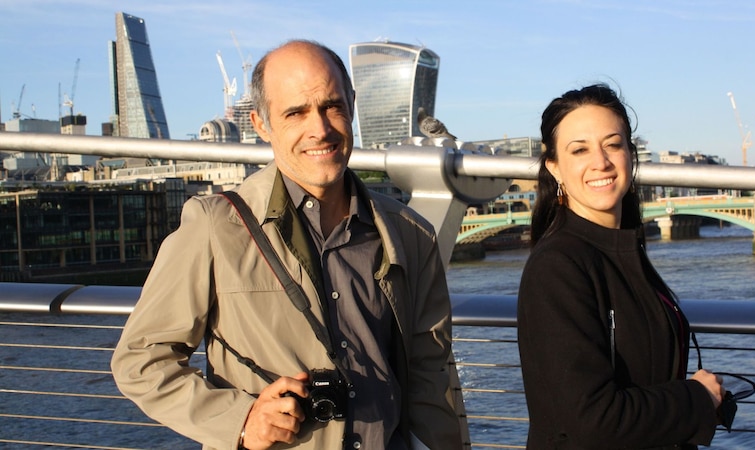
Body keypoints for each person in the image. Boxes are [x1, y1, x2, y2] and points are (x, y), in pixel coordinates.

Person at [111, 40, 466, 450]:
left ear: (352, 104)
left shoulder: (409, 233)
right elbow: (140, 360)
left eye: (332, 105)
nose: (320, 128)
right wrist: (242, 420)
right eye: (295, 112)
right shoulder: (214, 227)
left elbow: (430, 371)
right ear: (261, 124)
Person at [516, 84, 724, 449]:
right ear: (555, 168)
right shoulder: (557, 267)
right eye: (579, 150)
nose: (601, 161)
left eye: (613, 144)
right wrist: (697, 398)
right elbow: (592, 420)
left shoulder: (624, 251)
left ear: (630, 153)